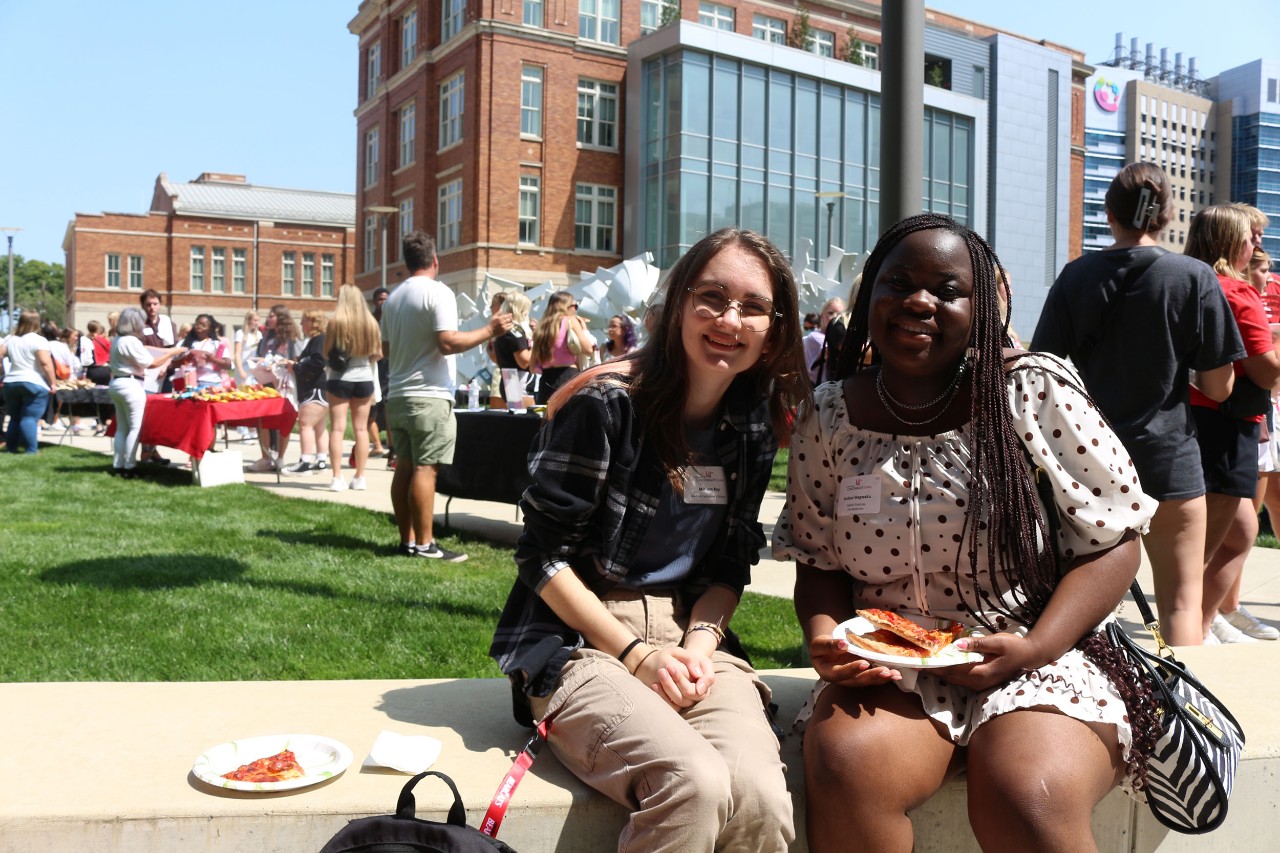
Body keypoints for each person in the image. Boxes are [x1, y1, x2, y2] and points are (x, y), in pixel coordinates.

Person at [775, 213, 1162, 851]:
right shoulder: (829, 415)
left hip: (1038, 652)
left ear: (981, 307)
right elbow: (816, 560)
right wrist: (827, 641)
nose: (918, 301)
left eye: (947, 289)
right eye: (897, 282)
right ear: (870, 293)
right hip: (892, 665)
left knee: (1026, 797)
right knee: (846, 765)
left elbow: (1115, 540)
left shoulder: (1032, 389)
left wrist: (1036, 647)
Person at [491, 227, 809, 852]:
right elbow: (541, 556)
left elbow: (731, 558)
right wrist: (638, 655)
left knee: (763, 796)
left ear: (774, 329)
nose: (729, 320)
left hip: (692, 633)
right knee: (692, 783)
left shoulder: (749, 422)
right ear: (680, 304)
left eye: (752, 307)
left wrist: (696, 643)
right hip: (580, 638)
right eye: (712, 297)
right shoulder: (606, 406)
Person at [1032, 162, 1242, 646]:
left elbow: (1043, 369)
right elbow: (1218, 388)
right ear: (1167, 216)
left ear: (1109, 213)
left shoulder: (1076, 276)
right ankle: (1185, 716)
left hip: (1090, 463)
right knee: (1182, 605)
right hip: (1170, 459)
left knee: (1080, 607)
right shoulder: (1194, 277)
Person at [383, 231, 512, 560]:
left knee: (405, 468)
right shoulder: (438, 293)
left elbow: (386, 350)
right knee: (426, 469)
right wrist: (490, 330)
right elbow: (447, 343)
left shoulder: (394, 298)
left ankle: (407, 541)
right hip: (429, 396)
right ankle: (426, 545)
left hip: (397, 394)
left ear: (407, 262)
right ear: (435, 261)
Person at [1184, 205, 1280, 644]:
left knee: (1226, 532)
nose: (1255, 245)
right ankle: (1196, 629)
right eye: (1249, 239)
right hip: (1229, 422)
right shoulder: (1237, 293)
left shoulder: (1185, 282)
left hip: (1187, 419)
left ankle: (1203, 622)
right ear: (1229, 244)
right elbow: (1268, 372)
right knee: (1227, 537)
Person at [107, 308, 184, 476]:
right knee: (135, 428)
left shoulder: (117, 339)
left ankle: (118, 464)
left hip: (117, 383)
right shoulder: (131, 341)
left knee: (122, 428)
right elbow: (152, 363)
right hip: (131, 384)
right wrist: (172, 352)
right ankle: (130, 466)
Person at [324, 283, 382, 491]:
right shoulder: (371, 324)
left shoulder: (336, 323)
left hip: (339, 378)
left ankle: (337, 477)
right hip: (364, 377)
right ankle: (360, 476)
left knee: (337, 428)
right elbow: (378, 354)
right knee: (361, 429)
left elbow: (326, 352)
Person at [248, 305, 304, 472]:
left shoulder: (292, 339)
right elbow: (261, 356)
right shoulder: (266, 337)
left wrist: (282, 364)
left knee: (284, 421)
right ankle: (266, 457)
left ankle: (280, 458)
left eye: (272, 316)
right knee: (263, 420)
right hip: (265, 383)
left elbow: (297, 361)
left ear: (281, 318)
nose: (268, 318)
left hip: (284, 384)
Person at [280, 310, 331, 479]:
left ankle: (305, 462)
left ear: (313, 322)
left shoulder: (318, 340)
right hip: (321, 389)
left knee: (305, 424)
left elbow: (318, 362)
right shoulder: (318, 340)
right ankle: (321, 460)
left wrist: (295, 367)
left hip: (314, 388)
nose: (301, 325)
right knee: (320, 426)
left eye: (304, 321)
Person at [1, 310, 57, 453]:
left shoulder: (11, 340)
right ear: (36, 323)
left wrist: (2, 372)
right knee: (30, 418)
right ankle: (31, 450)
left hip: (11, 382)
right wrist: (53, 382)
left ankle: (11, 448)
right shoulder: (39, 340)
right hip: (34, 382)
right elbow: (45, 363)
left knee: (14, 418)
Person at [529, 291, 592, 405]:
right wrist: (584, 328)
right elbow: (588, 349)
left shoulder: (541, 327)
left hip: (546, 380)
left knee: (547, 420)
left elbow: (533, 367)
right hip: (568, 377)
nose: (575, 309)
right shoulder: (570, 321)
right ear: (567, 306)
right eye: (574, 306)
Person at [490, 290, 533, 404]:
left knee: (515, 415)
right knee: (523, 418)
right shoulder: (515, 330)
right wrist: (536, 344)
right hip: (517, 379)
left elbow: (493, 356)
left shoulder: (502, 329)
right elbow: (524, 361)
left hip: (508, 377)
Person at [177, 314, 232, 389]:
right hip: (188, 383)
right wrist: (188, 358)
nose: (199, 327)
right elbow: (172, 364)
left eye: (203, 325)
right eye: (197, 324)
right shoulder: (183, 343)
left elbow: (228, 365)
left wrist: (211, 359)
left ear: (210, 328)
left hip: (212, 384)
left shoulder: (217, 344)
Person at [368, 286, 391, 459]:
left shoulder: (394, 318)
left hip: (390, 367)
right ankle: (377, 445)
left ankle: (393, 447)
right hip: (373, 367)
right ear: (374, 301)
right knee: (371, 410)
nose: (382, 302)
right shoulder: (369, 321)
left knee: (388, 410)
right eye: (379, 299)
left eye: (385, 299)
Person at [802, 297, 844, 385]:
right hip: (816, 389)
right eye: (830, 313)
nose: (834, 317)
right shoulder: (815, 337)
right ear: (822, 315)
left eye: (839, 314)